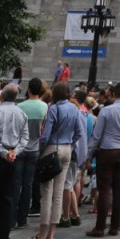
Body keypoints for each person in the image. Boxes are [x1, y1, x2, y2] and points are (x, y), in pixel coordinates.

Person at [86, 80, 120, 238]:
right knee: (119, 189)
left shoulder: (106, 111)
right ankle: (115, 226)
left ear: (113, 94)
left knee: (104, 190)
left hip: (107, 150)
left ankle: (100, 227)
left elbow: (97, 135)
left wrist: (89, 155)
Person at [38, 82, 87, 239]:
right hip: (67, 148)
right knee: (59, 192)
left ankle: (42, 232)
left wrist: (40, 151)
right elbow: (79, 132)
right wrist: (71, 146)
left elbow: (45, 135)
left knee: (47, 193)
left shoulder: (53, 108)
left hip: (53, 148)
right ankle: (52, 233)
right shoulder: (74, 108)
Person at [10, 76, 46, 230]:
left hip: (19, 148)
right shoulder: (44, 107)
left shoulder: (20, 106)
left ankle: (12, 217)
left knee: (15, 184)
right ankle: (23, 217)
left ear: (29, 89)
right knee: (28, 185)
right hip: (34, 148)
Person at [0, 84, 29, 239]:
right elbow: (25, 137)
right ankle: (5, 232)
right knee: (8, 197)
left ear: (2, 96)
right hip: (13, 157)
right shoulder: (22, 114)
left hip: (3, 155)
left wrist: (5, 153)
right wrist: (14, 152)